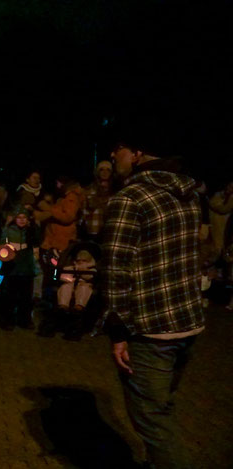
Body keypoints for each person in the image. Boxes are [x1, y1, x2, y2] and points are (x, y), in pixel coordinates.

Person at [101, 140, 204, 469]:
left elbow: (115, 269)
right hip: (188, 322)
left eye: (118, 149)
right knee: (163, 408)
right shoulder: (188, 194)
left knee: (153, 423)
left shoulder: (130, 198)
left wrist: (118, 331)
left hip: (151, 329)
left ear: (138, 154)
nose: (113, 156)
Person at [0, 207, 39, 330]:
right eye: (19, 217)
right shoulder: (8, 231)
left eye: (24, 217)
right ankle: (7, 321)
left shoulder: (31, 231)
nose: (21, 220)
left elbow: (35, 246)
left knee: (26, 296)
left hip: (26, 266)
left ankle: (24, 320)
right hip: (12, 267)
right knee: (10, 296)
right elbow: (1, 247)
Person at [82, 160, 115, 241]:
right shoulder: (89, 191)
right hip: (91, 233)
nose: (105, 172)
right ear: (97, 172)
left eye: (108, 170)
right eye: (101, 169)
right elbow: (82, 213)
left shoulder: (115, 192)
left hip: (109, 234)